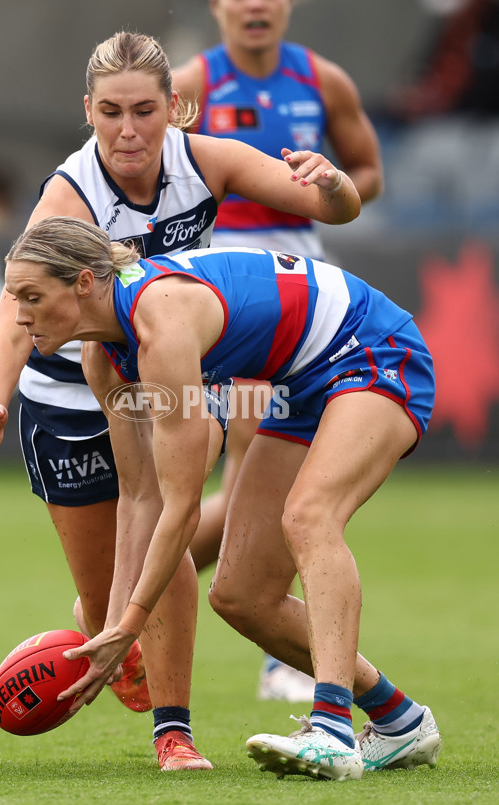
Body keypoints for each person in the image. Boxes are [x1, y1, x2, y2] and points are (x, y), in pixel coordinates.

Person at [0, 30, 359, 771]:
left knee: (166, 534)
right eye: (111, 111)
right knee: (104, 609)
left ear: (175, 107)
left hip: (164, 374)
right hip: (68, 398)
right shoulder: (71, 193)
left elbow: (327, 205)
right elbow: (12, 308)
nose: (129, 129)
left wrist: (333, 182)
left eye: (145, 110)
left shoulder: (203, 160)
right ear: (88, 110)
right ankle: (122, 646)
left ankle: (173, 733)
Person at [3, 215, 442, 782]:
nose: (19, 316)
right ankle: (399, 721)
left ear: (84, 283)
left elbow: (182, 508)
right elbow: (139, 498)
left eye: (32, 296)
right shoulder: (100, 357)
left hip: (372, 349)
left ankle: (332, 730)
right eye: (16, 298)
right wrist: (111, 629)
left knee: (309, 517)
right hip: (300, 383)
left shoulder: (160, 330)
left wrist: (131, 626)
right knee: (241, 595)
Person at [172, 0, 384, 702]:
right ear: (219, 7)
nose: (255, 5)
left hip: (311, 307)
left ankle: (121, 600)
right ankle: (280, 657)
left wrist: (329, 185)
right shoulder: (187, 87)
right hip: (230, 309)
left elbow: (367, 170)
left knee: (260, 494)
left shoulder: (324, 82)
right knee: (261, 483)